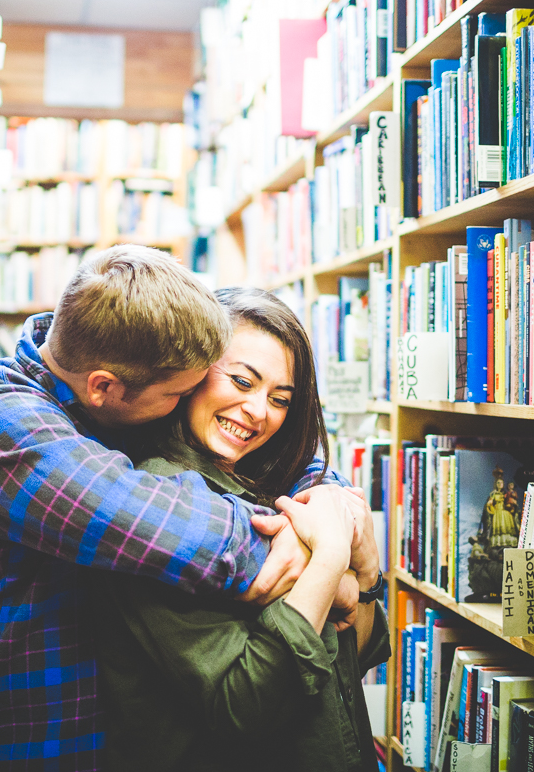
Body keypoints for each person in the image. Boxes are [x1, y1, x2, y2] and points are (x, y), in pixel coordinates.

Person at [0, 246, 351, 772]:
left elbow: (284, 458)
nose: (185, 405)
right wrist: (327, 556)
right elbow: (156, 526)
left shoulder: (121, 383)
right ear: (104, 387)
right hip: (35, 744)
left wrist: (336, 499)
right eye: (180, 393)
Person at [94, 287, 390, 772]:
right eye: (241, 381)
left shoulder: (278, 481)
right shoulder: (160, 500)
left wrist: (367, 573)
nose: (258, 411)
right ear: (190, 374)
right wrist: (335, 555)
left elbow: (362, 652)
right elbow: (249, 706)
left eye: (279, 398)